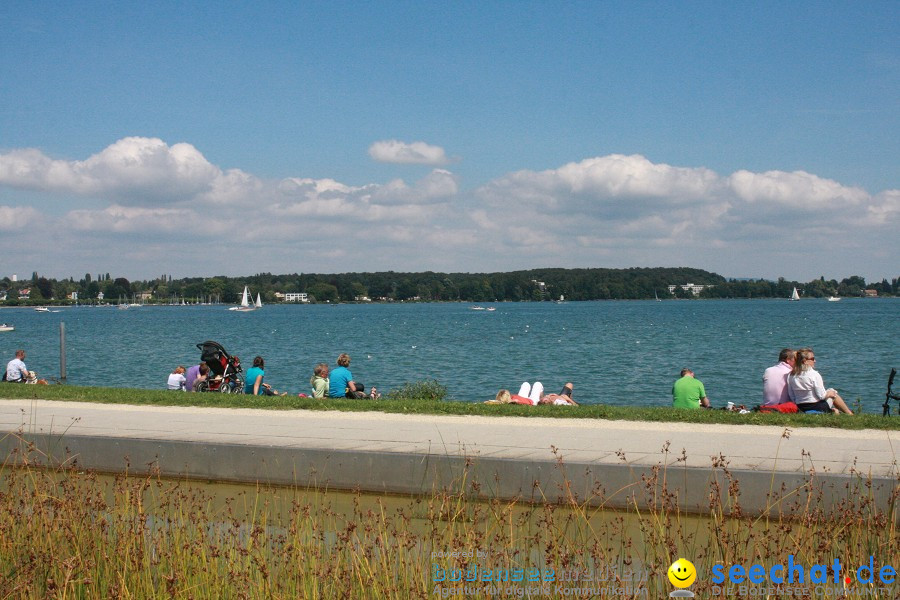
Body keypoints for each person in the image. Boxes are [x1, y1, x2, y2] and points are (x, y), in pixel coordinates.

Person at [787, 348, 853, 414]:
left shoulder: (791, 375)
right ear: (805, 361)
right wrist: (830, 393)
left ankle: (835, 412)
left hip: (800, 408)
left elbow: (792, 396)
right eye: (812, 359)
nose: (815, 361)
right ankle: (849, 414)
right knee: (833, 393)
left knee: (830, 392)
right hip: (817, 407)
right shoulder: (814, 374)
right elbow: (822, 396)